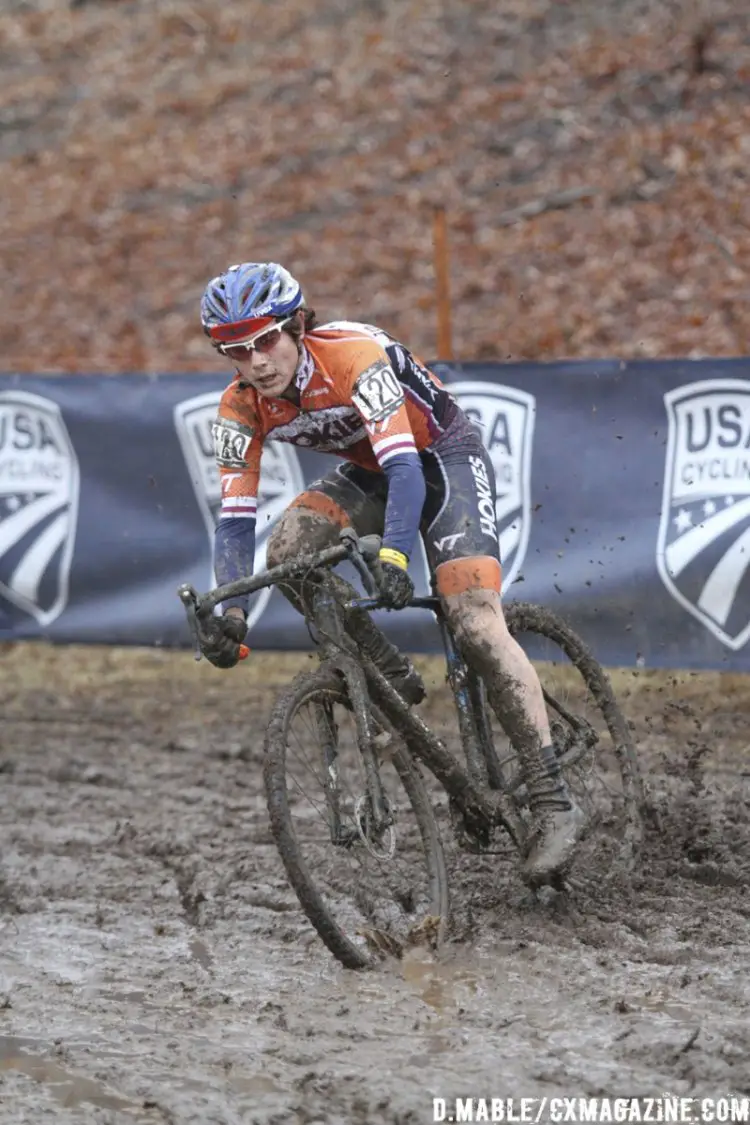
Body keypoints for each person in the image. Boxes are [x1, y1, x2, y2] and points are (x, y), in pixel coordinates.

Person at [196, 260, 585, 883]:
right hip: (370, 472)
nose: (257, 362)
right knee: (289, 553)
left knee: (474, 622)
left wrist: (396, 553)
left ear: (297, 325)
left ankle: (552, 798)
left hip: (439, 458)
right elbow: (236, 520)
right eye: (236, 351)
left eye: (266, 340)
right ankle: (387, 668)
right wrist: (231, 615)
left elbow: (407, 469)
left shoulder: (352, 355)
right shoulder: (239, 407)